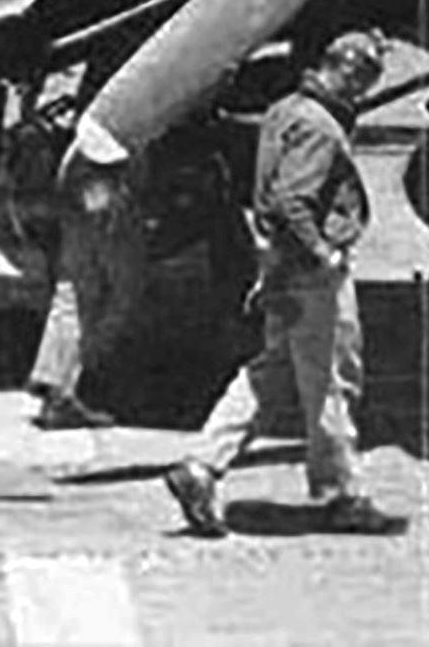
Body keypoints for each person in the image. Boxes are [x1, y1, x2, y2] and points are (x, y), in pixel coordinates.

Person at [165, 32, 406, 540]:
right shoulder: (319, 127)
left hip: (280, 264)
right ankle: (343, 495)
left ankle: (201, 465)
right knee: (332, 382)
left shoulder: (284, 109)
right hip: (312, 274)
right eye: (365, 81)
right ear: (347, 70)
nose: (364, 92)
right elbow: (292, 201)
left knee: (271, 373)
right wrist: (325, 253)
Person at [25, 150, 145, 431]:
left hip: (78, 175)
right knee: (116, 291)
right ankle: (73, 382)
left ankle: (55, 381)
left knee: (74, 291)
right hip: (105, 177)